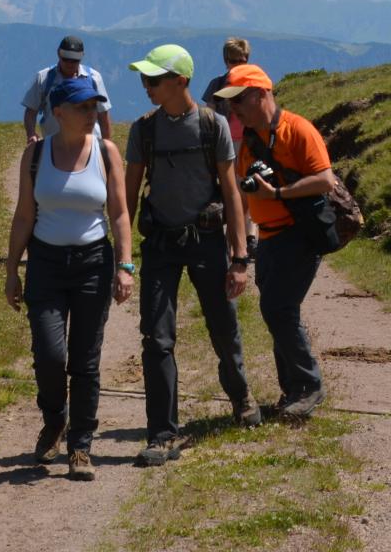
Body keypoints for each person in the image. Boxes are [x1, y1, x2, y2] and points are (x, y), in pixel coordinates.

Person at [124, 44, 259, 467]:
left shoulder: (211, 125)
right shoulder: (142, 130)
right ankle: (162, 434)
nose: (145, 86)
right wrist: (122, 259)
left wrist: (240, 258)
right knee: (156, 339)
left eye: (153, 79)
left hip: (206, 242)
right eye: (144, 78)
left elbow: (232, 193)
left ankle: (240, 397)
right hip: (161, 243)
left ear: (179, 81)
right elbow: (126, 200)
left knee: (223, 326)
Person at [5, 75, 135, 481]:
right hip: (45, 262)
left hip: (93, 262)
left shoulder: (106, 152)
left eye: (94, 106)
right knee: (49, 354)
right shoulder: (36, 156)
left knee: (85, 359)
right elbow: (25, 215)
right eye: (82, 107)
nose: (91, 112)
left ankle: (81, 446)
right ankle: (55, 418)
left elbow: (118, 212)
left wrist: (125, 266)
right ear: (57, 113)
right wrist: (12, 270)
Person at [214, 63, 335, 419]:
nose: (232, 109)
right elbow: (244, 194)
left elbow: (325, 180)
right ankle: (294, 391)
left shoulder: (298, 129)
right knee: (279, 311)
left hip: (299, 235)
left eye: (238, 99)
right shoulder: (250, 140)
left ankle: (308, 386)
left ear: (260, 94)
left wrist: (279, 192)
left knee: (278, 309)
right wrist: (246, 240)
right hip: (268, 240)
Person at [202, 37, 258, 258]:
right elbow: (209, 114)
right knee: (234, 190)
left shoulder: (254, 84)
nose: (237, 64)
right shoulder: (217, 84)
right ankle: (239, 238)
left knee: (249, 187)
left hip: (249, 142)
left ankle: (248, 238)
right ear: (226, 60)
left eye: (241, 60)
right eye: (233, 60)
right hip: (226, 144)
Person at [22, 35, 112, 144]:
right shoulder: (43, 78)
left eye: (74, 60)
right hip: (54, 145)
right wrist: (31, 134)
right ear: (58, 54)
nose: (69, 63)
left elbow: (103, 114)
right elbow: (31, 111)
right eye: (65, 59)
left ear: (81, 57)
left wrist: (106, 144)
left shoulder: (94, 78)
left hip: (90, 144)